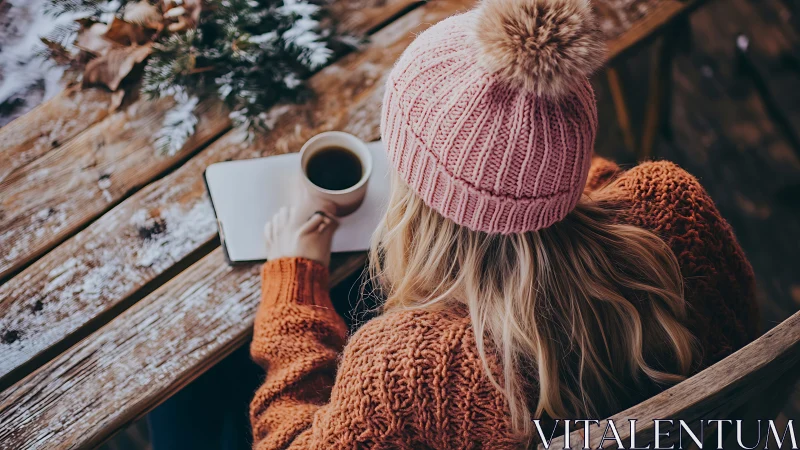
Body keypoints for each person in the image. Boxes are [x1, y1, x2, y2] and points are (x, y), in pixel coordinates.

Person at [250, 0, 759, 447]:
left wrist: (292, 287)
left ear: (413, 196)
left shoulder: (411, 368)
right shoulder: (674, 205)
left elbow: (289, 442)